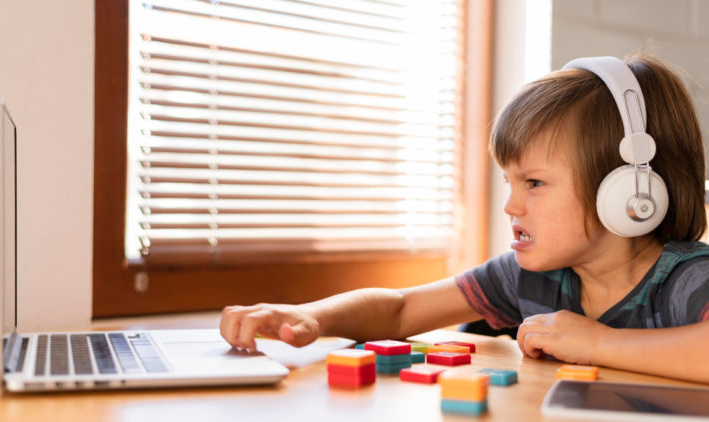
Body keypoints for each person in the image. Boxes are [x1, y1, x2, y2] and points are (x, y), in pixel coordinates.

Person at [220, 52, 709, 384]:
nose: (511, 206)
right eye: (508, 183)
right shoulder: (525, 277)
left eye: (534, 183)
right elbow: (400, 310)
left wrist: (597, 344)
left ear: (629, 189)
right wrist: (311, 316)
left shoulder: (689, 279)